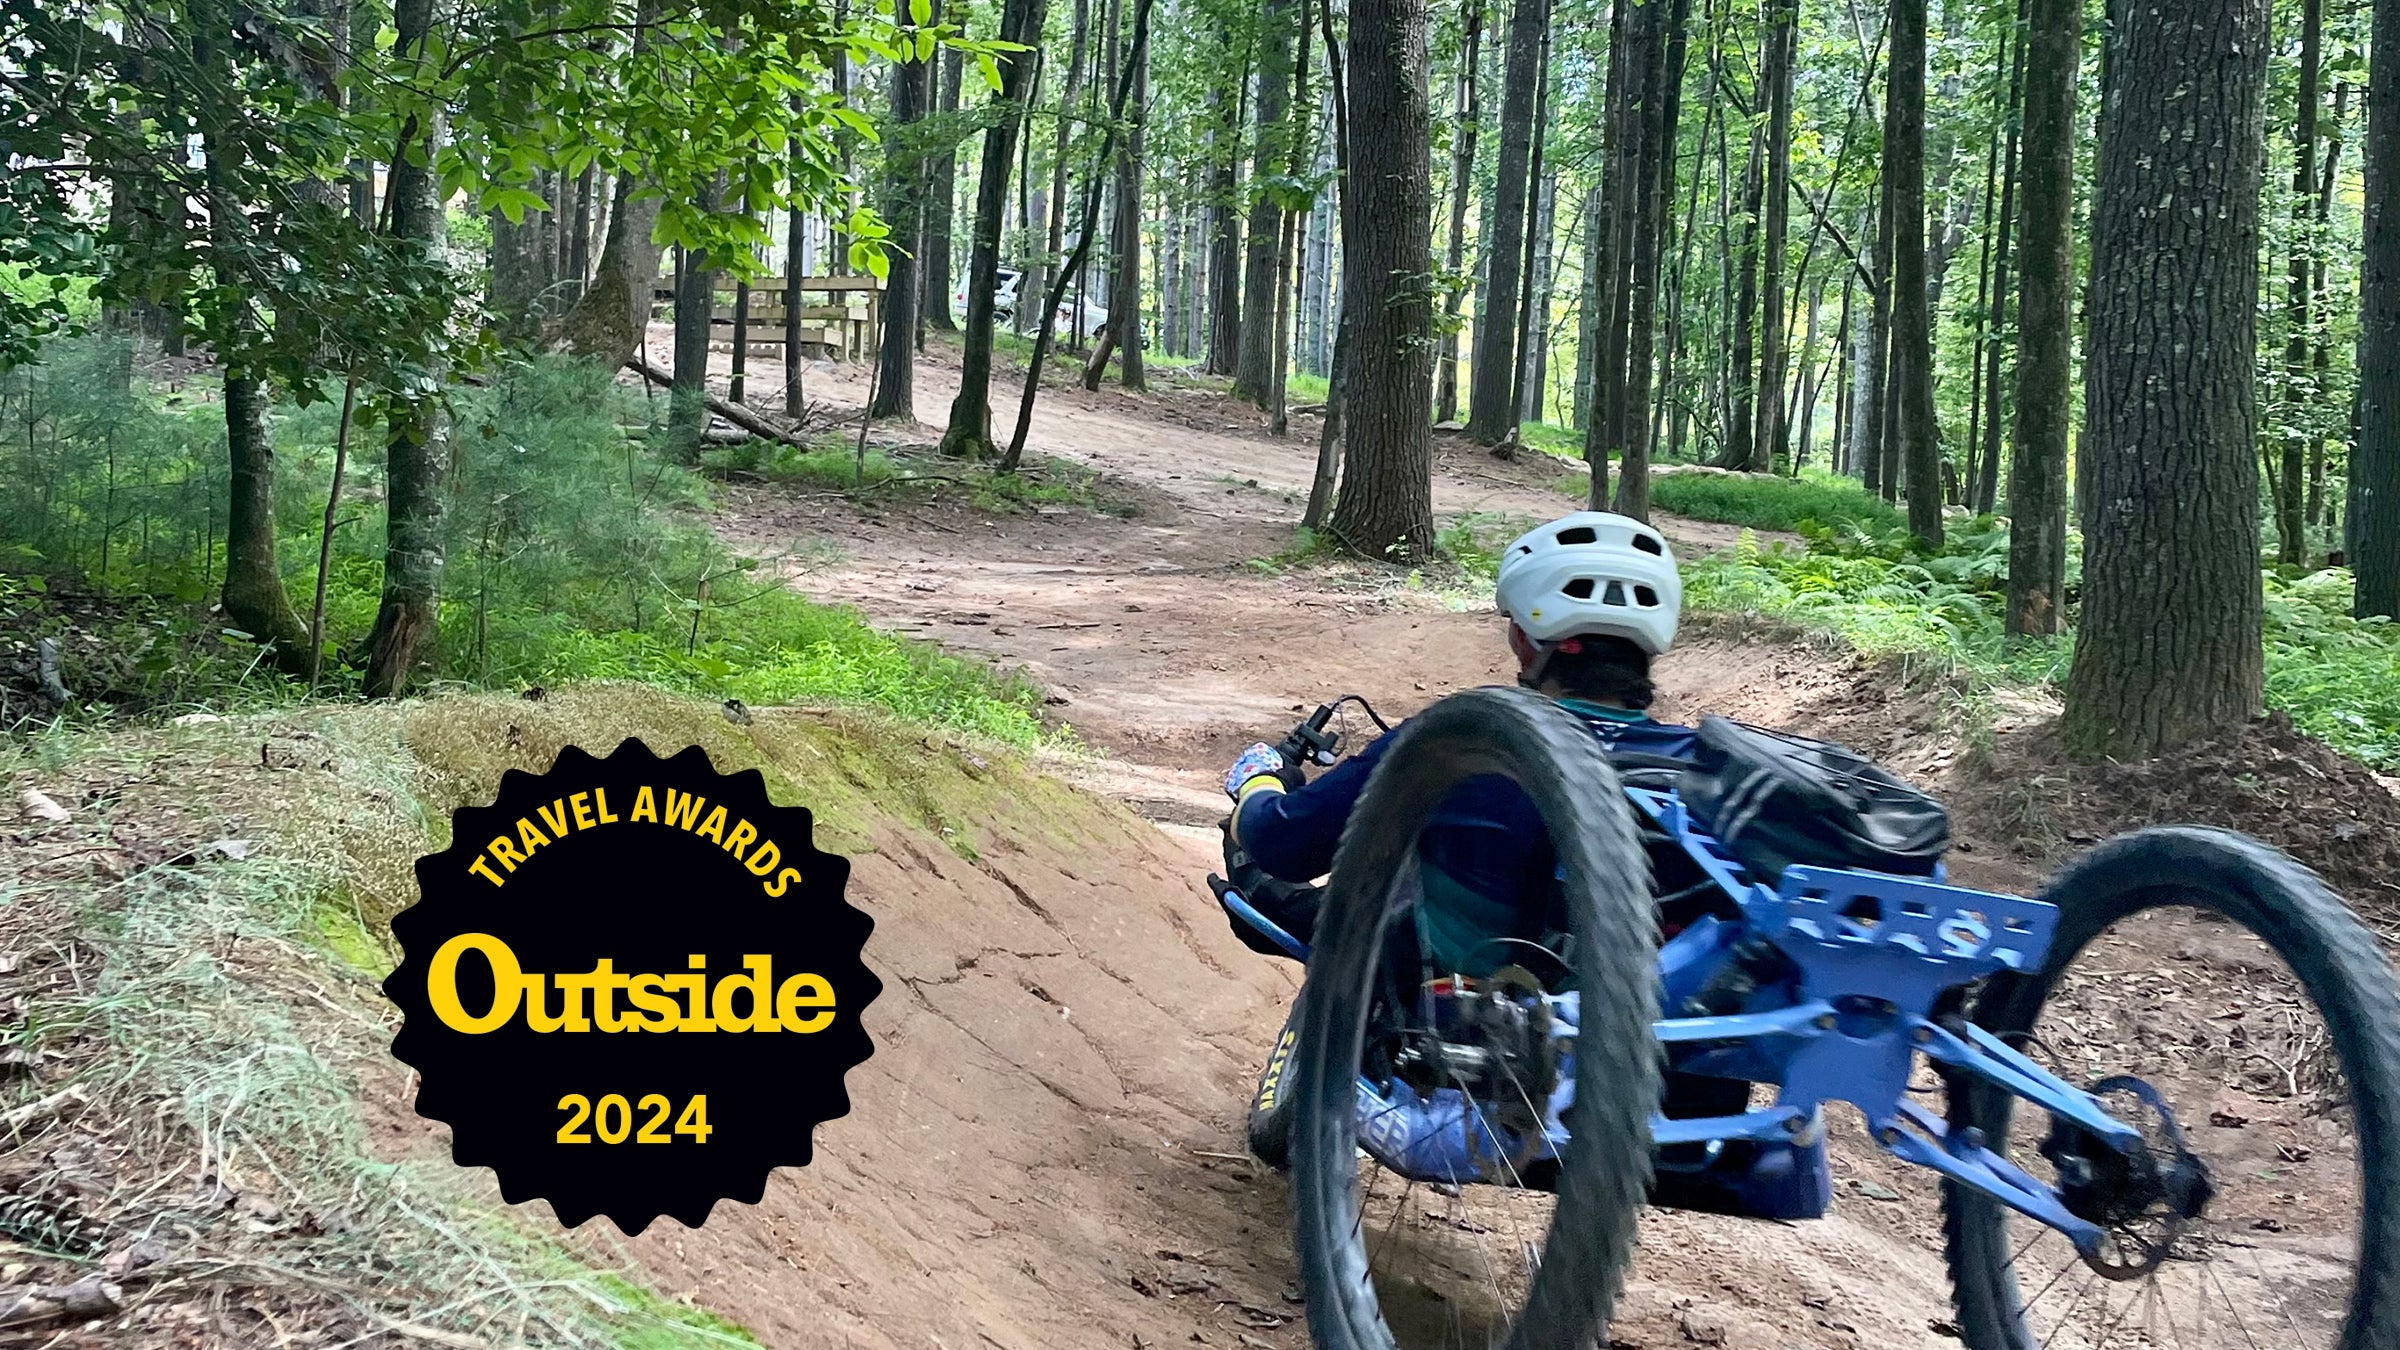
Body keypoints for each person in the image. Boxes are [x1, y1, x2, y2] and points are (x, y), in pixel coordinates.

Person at [1220, 510, 1694, 976]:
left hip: (1447, 1021)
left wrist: (1258, 782)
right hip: (1652, 1028)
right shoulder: (1702, 767)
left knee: (1259, 881)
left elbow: (1283, 844)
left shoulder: (1465, 739)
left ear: (1525, 640)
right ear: (1650, 647)